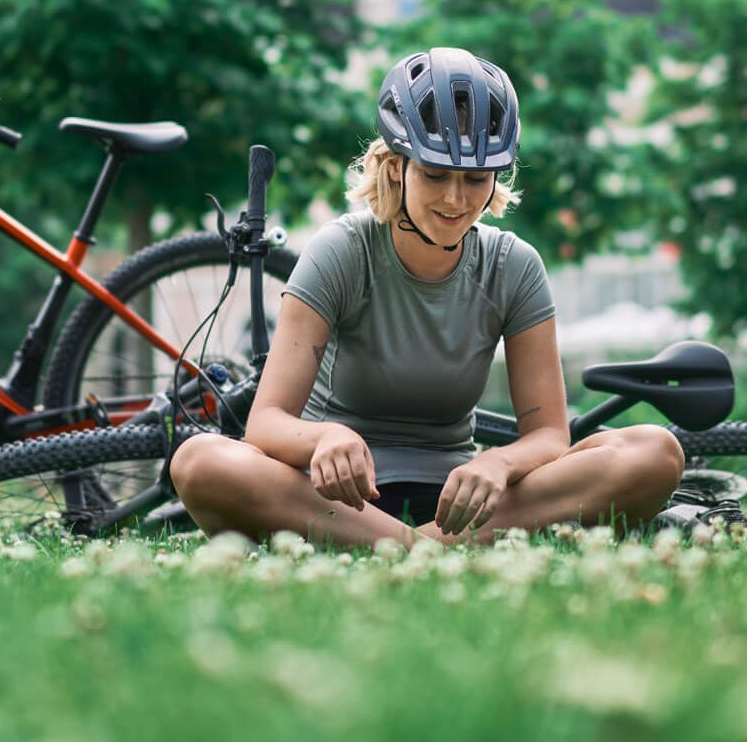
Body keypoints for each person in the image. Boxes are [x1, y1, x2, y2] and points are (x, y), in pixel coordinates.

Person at [171, 47, 685, 547]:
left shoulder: (515, 265)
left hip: (459, 503)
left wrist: (498, 462)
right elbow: (266, 424)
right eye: (435, 174)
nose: (456, 199)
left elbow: (550, 435)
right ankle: (424, 552)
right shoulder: (341, 250)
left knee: (655, 452)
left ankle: (401, 549)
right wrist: (323, 439)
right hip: (334, 501)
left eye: (476, 179)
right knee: (199, 461)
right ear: (396, 166)